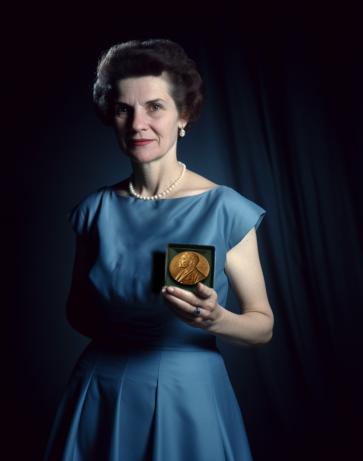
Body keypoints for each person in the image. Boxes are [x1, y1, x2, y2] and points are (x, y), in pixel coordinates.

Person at [44, 38, 274, 461]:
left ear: (183, 115)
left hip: (188, 393)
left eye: (155, 107)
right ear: (110, 117)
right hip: (100, 387)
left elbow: (262, 326)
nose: (137, 124)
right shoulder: (94, 211)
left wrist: (216, 318)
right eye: (123, 109)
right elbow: (75, 312)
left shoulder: (225, 208)